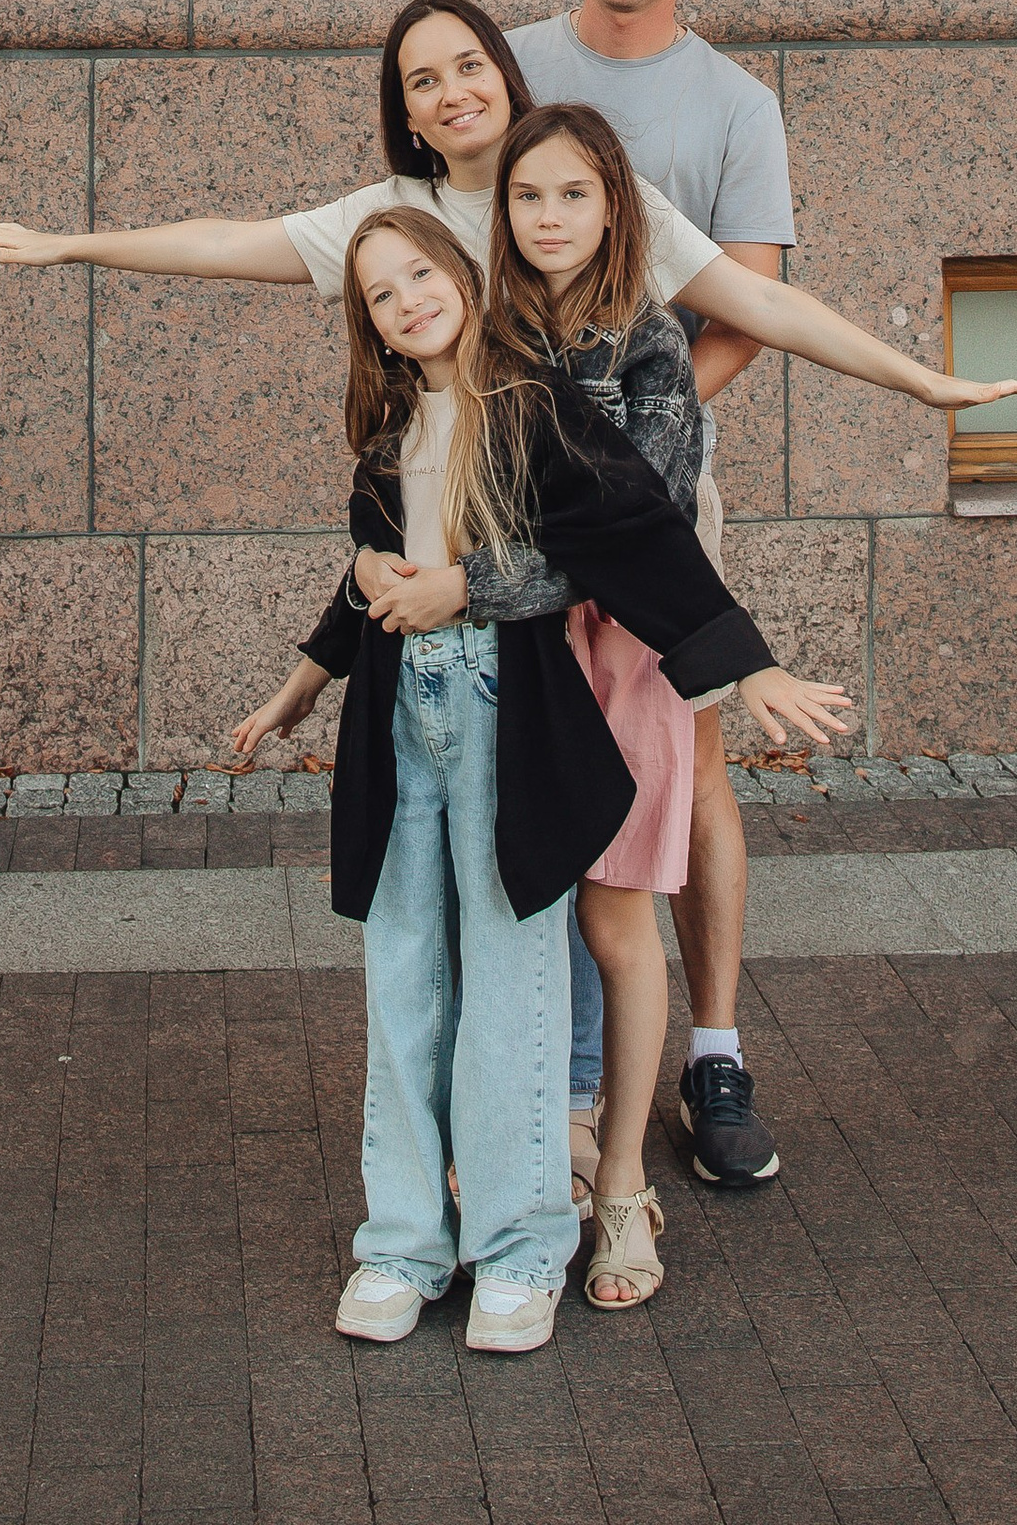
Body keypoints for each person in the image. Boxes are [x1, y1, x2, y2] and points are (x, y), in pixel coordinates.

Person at [0, 0, 1017, 1188]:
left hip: (623, 569)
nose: (452, 92)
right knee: (527, 855)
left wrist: (922, 382)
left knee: (626, 849)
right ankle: (549, 1121)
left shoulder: (588, 188)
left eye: (468, 63)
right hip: (497, 603)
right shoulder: (402, 219)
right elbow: (234, 241)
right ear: (406, 113)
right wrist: (72, 244)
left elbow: (757, 302)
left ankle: (654, 1097)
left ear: (506, 70)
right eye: (422, 80)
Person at [229, 208, 852, 1353]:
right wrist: (298, 687)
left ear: (463, 276)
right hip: (397, 722)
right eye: (379, 293)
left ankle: (520, 1248)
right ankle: (402, 1244)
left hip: (506, 713)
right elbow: (367, 572)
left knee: (514, 983)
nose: (408, 299)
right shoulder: (388, 431)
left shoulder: (537, 405)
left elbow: (636, 535)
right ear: (367, 326)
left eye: (420, 272)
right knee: (403, 979)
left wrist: (748, 665)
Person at [510, 0, 797, 1188]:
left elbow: (748, 305)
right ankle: (561, 1079)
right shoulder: (514, 67)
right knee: (549, 766)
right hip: (514, 499)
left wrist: (625, 447)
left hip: (659, 495)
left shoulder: (734, 104)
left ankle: (715, 1054)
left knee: (694, 768)